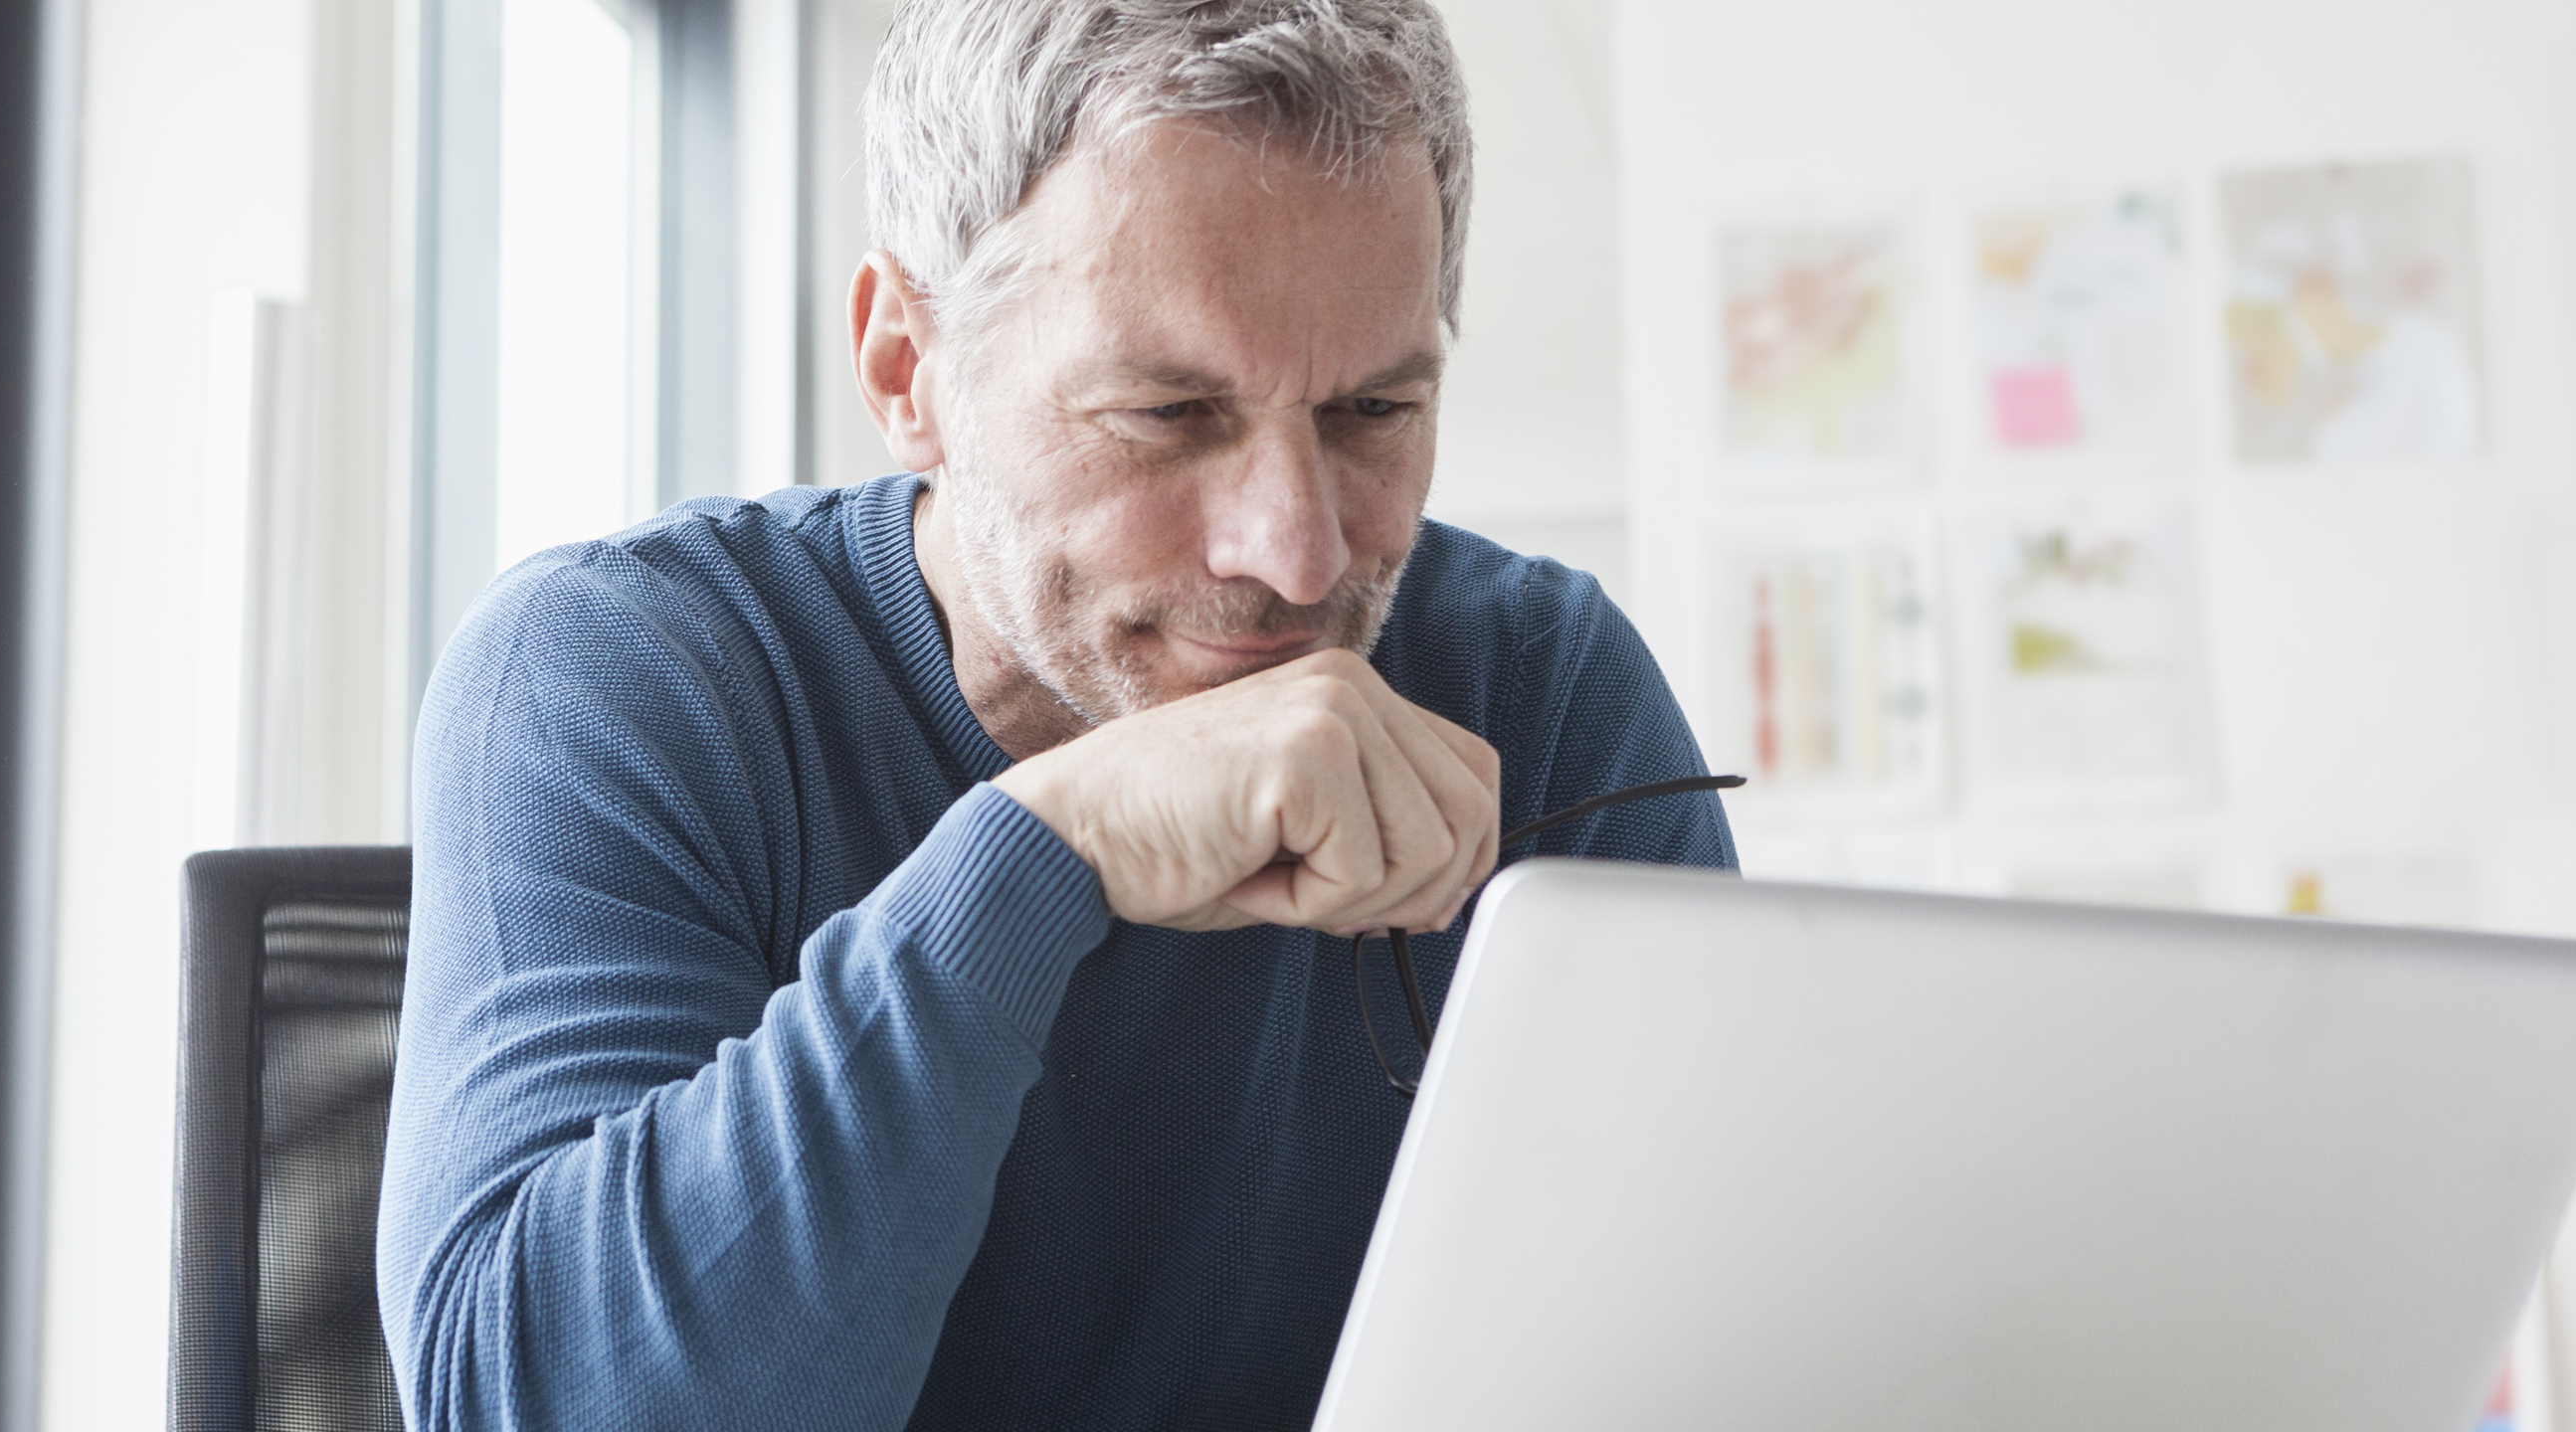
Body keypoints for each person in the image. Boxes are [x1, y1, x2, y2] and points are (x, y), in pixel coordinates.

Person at [378, 1, 1735, 1426]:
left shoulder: (1543, 685)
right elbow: (532, 1404)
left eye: (1373, 414)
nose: (1299, 554)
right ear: (911, 369)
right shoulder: (621, 677)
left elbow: (1741, 1328)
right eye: (1168, 414)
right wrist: (1044, 849)